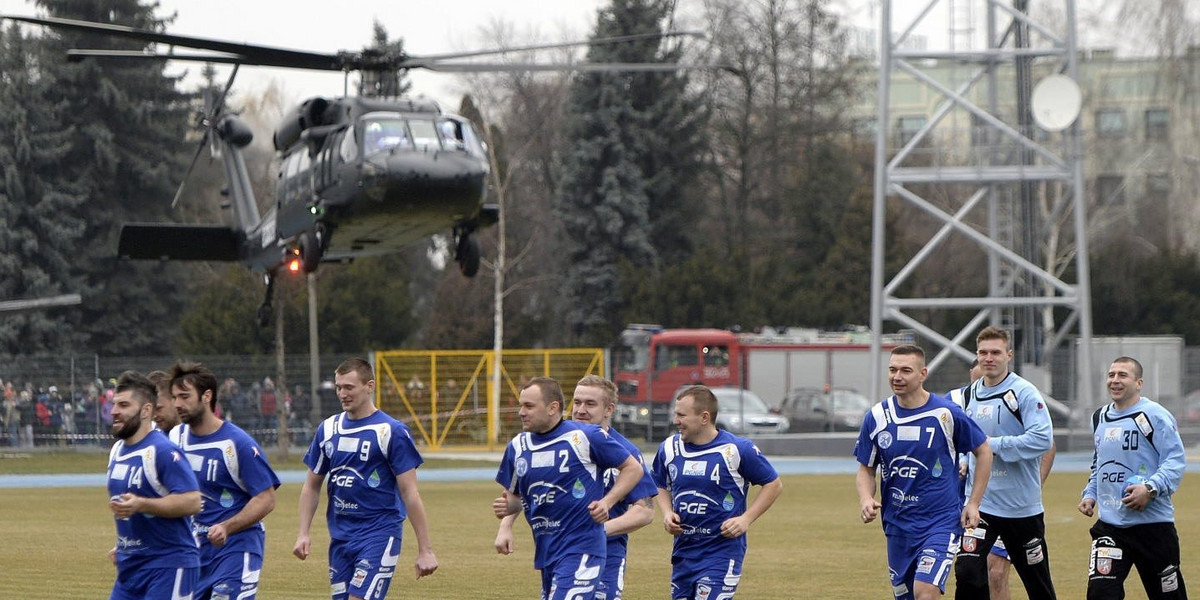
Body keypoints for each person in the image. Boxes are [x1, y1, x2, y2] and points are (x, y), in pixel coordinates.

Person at [494, 375, 657, 600]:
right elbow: (528, 490)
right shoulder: (541, 443)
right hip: (554, 547)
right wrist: (506, 525)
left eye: (590, 404)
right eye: (577, 402)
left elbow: (645, 511)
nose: (580, 410)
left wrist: (596, 527)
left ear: (609, 409)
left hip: (602, 550)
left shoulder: (626, 452)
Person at [294, 358, 438, 600]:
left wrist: (426, 550)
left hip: (379, 533)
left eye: (349, 387)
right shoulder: (328, 430)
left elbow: (410, 493)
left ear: (369, 386)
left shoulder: (392, 432)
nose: (342, 393)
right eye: (339, 387)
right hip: (340, 537)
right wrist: (303, 533)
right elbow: (311, 486)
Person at [856, 345, 992, 600]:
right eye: (893, 370)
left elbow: (983, 450)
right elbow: (866, 468)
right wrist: (865, 498)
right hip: (897, 525)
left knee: (926, 592)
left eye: (906, 370)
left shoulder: (946, 414)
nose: (897, 376)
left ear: (922, 374)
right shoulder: (876, 417)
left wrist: (973, 503)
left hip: (940, 522)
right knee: (907, 596)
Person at [652, 384, 783, 600]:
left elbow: (773, 483)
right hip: (683, 552)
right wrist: (667, 512)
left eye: (681, 415)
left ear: (704, 417)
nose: (676, 421)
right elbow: (658, 482)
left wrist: (746, 519)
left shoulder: (736, 449)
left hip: (721, 552)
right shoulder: (668, 448)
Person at [954, 326, 1058, 600]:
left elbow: (1043, 439)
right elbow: (967, 440)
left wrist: (992, 446)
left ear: (1008, 355)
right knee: (967, 572)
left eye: (995, 352)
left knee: (1038, 583)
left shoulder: (1023, 393)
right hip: (982, 505)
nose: (989, 358)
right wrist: (966, 458)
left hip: (1021, 509)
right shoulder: (969, 395)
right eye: (983, 352)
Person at [169, 362, 281, 600]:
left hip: (236, 549)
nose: (177, 403)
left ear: (207, 396)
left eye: (185, 396)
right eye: (175, 397)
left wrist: (227, 527)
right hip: (194, 553)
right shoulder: (175, 438)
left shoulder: (237, 443)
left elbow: (266, 498)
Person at [1079, 356, 1188, 599]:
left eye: (1122, 375)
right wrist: (1090, 493)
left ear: (1138, 383)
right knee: (1100, 593)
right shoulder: (1099, 418)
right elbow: (1100, 462)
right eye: (1111, 375)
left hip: (1153, 527)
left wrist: (1149, 488)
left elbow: (1175, 460)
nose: (1115, 380)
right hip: (1110, 527)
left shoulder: (1154, 415)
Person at [105, 370, 203, 600]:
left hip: (169, 565)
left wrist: (142, 504)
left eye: (124, 405)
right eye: (114, 404)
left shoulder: (163, 451)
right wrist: (123, 546)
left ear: (146, 410)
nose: (114, 412)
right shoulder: (118, 451)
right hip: (130, 569)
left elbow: (193, 500)